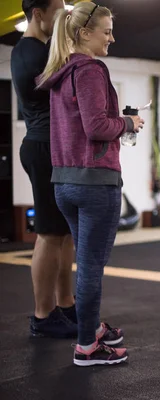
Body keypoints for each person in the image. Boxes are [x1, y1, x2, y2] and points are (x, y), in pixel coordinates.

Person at [37, 1, 144, 366]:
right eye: (107, 31)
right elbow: (97, 127)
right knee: (91, 267)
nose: (112, 38)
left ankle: (90, 329)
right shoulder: (91, 70)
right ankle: (87, 346)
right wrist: (129, 124)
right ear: (85, 33)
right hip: (95, 184)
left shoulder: (61, 71)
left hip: (64, 184)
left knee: (86, 264)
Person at [11, 0, 78, 339]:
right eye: (59, 10)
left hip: (54, 148)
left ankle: (66, 305)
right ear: (38, 13)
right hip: (42, 148)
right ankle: (42, 314)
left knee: (65, 233)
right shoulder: (29, 52)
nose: (65, 15)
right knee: (50, 233)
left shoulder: (44, 48)